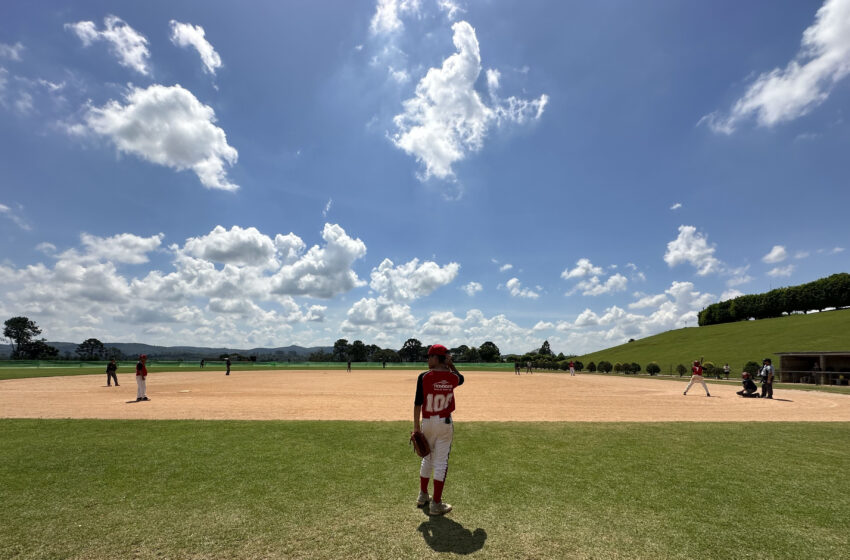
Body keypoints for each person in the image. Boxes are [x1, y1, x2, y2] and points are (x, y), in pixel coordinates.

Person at [413, 344, 464, 516]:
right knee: (440, 462)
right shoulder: (451, 377)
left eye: (430, 356)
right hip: (444, 423)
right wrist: (450, 365)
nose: (428, 360)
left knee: (427, 458)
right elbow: (461, 379)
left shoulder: (424, 377)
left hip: (427, 422)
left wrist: (415, 427)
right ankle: (436, 503)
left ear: (437, 358)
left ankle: (422, 496)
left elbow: (417, 403)